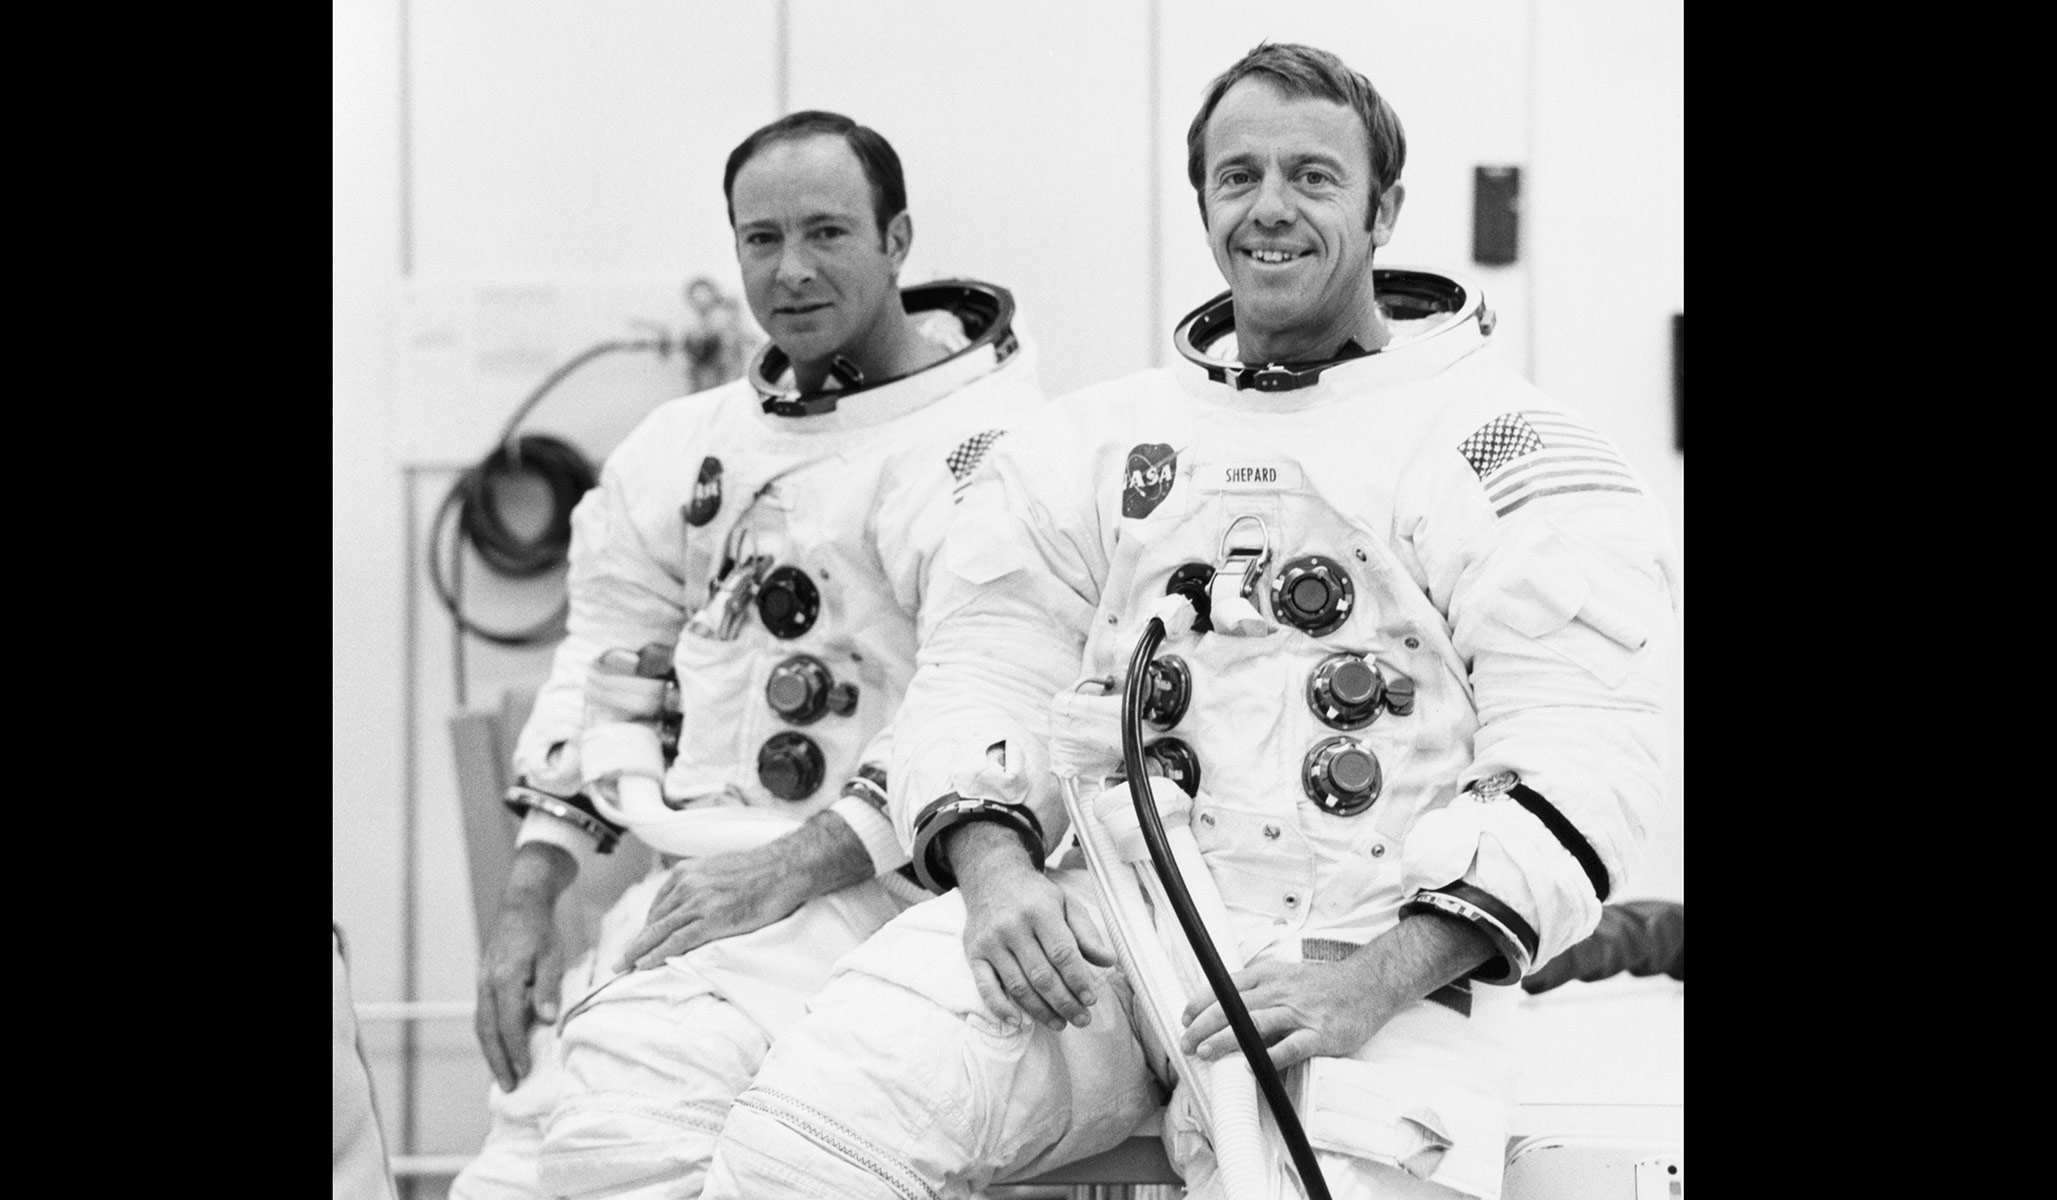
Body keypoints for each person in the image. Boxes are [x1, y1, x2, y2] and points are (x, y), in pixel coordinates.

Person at [703, 43, 1679, 1200]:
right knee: (801, 1143)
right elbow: (979, 675)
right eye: (1237, 176)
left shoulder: (1499, 447)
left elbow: (1584, 748)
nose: (1268, 208)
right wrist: (997, 875)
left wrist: (1372, 980)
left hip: (1372, 953)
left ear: (1383, 210)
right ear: (1205, 204)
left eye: (1312, 177)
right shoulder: (1090, 446)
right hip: (1106, 920)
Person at [450, 110, 1045, 1200]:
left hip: (889, 892)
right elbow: (604, 665)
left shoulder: (985, 451)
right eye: (761, 239)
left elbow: (984, 695)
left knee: (632, 1132)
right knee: (515, 1166)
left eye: (827, 232)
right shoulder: (686, 450)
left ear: (897, 239)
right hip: (703, 889)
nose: (792, 269)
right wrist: (529, 899)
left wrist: (791, 868)